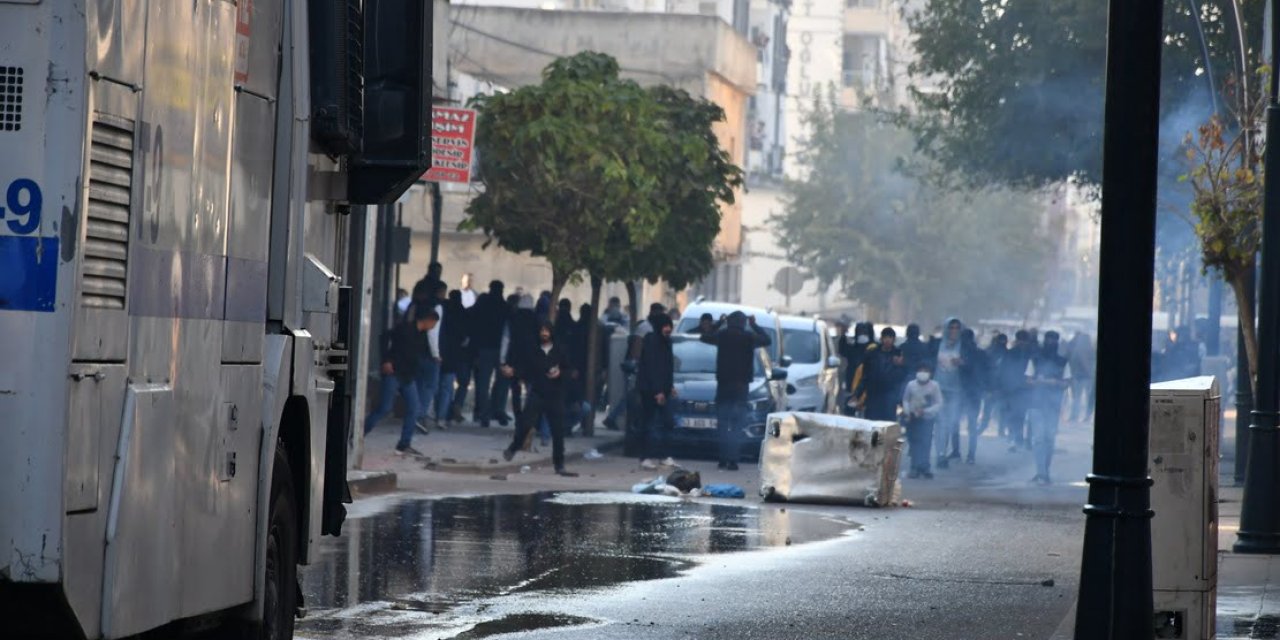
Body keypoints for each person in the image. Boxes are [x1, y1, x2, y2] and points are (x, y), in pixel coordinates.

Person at [502, 321, 579, 477]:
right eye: (541, 331)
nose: (544, 333)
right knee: (525, 424)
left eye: (546, 331)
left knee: (557, 432)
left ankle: (559, 465)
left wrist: (559, 374)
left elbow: (570, 370)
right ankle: (514, 447)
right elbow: (525, 369)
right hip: (537, 393)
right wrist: (513, 371)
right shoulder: (533, 351)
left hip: (555, 395)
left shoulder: (559, 350)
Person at [700, 312, 772, 471]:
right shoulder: (748, 337)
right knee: (737, 424)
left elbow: (704, 337)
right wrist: (754, 325)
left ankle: (722, 459)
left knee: (723, 423)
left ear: (729, 322)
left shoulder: (722, 335)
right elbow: (767, 340)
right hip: (741, 387)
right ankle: (733, 460)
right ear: (743, 323)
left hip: (724, 385)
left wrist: (719, 323)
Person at [364, 308, 438, 456]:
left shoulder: (422, 336)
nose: (434, 326)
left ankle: (404, 444)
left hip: (408, 376)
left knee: (414, 408)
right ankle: (357, 434)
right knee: (384, 408)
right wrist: (386, 361)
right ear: (428, 320)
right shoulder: (404, 329)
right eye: (434, 323)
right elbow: (386, 341)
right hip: (393, 372)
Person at [1028, 331, 1070, 485]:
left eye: (1054, 339)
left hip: (1053, 406)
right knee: (1038, 439)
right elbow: (1028, 379)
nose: (1051, 342)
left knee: (1049, 439)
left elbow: (1066, 383)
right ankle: (1041, 473)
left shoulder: (1063, 362)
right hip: (1036, 403)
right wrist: (1039, 382)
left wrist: (1054, 383)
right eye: (1049, 339)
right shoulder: (1035, 359)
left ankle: (1044, 471)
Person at [637, 314, 677, 469]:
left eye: (669, 326)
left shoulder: (666, 342)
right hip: (651, 391)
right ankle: (645, 457)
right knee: (649, 424)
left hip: (663, 390)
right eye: (665, 326)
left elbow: (667, 367)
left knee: (667, 423)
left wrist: (670, 386)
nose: (668, 329)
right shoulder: (652, 342)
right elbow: (653, 368)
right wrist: (658, 391)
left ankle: (664, 456)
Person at [470, 280, 509, 427]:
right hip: (501, 349)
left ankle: (484, 414)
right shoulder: (505, 307)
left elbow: (473, 324)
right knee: (501, 383)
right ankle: (497, 410)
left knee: (483, 383)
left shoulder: (483, 304)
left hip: (485, 348)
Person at [930, 318, 967, 469]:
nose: (954, 330)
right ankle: (940, 454)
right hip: (938, 388)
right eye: (951, 327)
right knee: (941, 422)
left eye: (957, 328)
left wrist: (963, 363)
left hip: (956, 390)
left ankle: (946, 452)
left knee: (951, 422)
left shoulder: (965, 347)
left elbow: (975, 365)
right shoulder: (936, 345)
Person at [413, 281, 447, 431]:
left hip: (417, 350)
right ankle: (420, 415)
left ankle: (415, 414)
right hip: (429, 354)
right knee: (430, 386)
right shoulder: (437, 307)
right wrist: (436, 354)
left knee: (420, 384)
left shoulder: (417, 305)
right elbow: (433, 332)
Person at [853, 327, 905, 421]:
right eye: (885, 337)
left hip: (889, 396)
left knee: (887, 425)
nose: (887, 340)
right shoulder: (872, 354)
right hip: (873, 395)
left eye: (890, 337)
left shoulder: (898, 354)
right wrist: (857, 394)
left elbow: (902, 378)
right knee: (872, 424)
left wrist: (899, 365)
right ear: (881, 339)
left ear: (894, 339)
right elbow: (865, 376)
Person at [901, 364, 943, 479]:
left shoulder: (934, 386)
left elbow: (938, 403)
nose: (923, 372)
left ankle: (925, 467)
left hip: (927, 419)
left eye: (926, 370)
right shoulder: (911, 385)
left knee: (926, 442)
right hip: (913, 418)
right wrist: (908, 412)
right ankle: (914, 467)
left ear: (930, 373)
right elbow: (905, 400)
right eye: (920, 370)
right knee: (914, 442)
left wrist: (925, 411)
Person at [435, 289, 469, 429]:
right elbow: (465, 338)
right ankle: (443, 416)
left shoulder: (442, 310)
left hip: (438, 352)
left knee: (437, 386)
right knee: (448, 387)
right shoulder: (461, 313)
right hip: (454, 355)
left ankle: (439, 413)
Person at [1000, 330, 1035, 450]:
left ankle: (1017, 438)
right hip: (1015, 389)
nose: (1022, 343)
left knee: (1019, 415)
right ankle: (1015, 438)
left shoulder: (1028, 354)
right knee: (1016, 415)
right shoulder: (1014, 353)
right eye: (1021, 340)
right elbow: (1004, 370)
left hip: (1023, 389)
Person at [960, 328, 990, 464]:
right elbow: (988, 371)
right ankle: (970, 454)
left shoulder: (961, 353)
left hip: (964, 391)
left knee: (953, 423)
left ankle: (957, 452)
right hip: (974, 392)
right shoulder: (981, 353)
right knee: (971, 425)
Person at [981, 333, 1009, 438]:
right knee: (988, 410)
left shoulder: (1007, 354)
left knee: (1002, 411)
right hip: (991, 386)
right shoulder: (989, 353)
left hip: (1001, 387)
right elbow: (985, 371)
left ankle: (1000, 430)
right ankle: (982, 428)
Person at [1066, 332, 1095, 422]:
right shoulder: (1090, 350)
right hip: (1087, 377)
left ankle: (1074, 416)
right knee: (1086, 397)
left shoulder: (1077, 350)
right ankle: (1086, 416)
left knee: (1077, 398)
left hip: (1079, 376)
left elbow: (1072, 363)